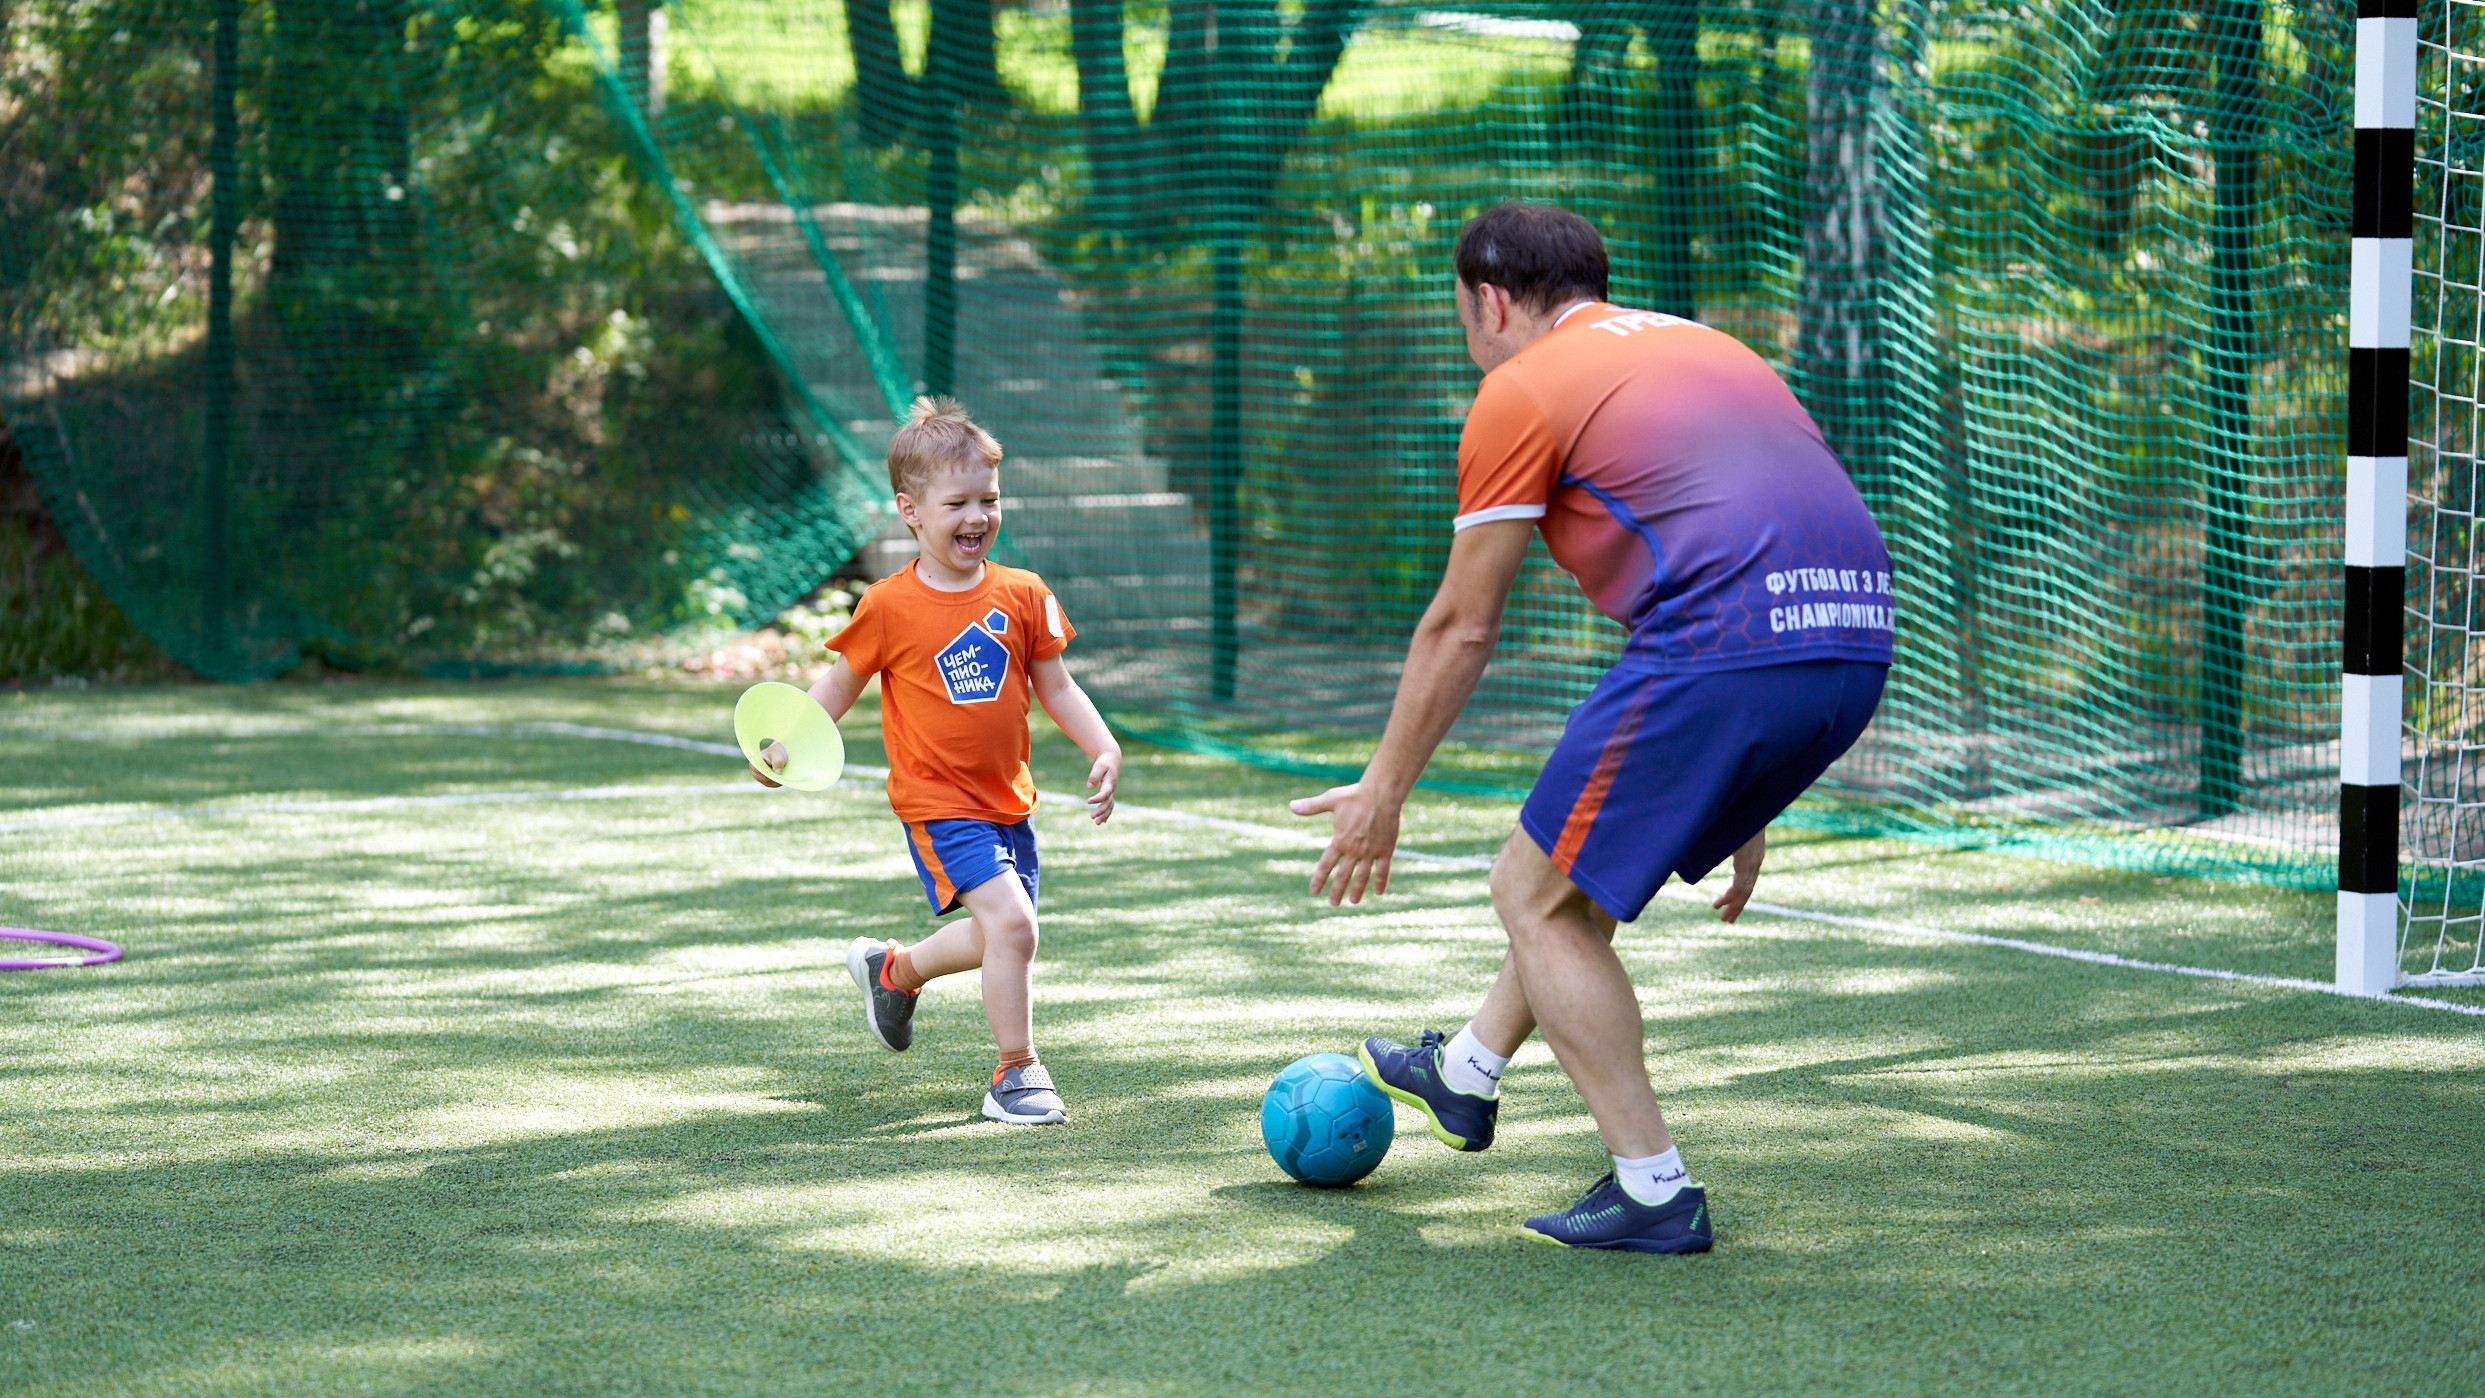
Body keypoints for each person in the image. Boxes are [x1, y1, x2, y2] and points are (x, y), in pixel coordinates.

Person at [1290, 202, 1893, 1252]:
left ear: (1488, 299)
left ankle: (1653, 1189)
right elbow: (1764, 512)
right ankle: (1466, 1072)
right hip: (1854, 642)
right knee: (1568, 877)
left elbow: (1461, 627)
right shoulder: (1702, 344)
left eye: (1461, 314)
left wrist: (1382, 791)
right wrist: (1739, 781)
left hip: (1725, 646)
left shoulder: (1517, 387)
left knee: (1529, 893)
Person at [753, 396, 1122, 1127]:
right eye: (957, 502)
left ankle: (894, 973)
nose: (977, 516)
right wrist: (784, 744)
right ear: (910, 511)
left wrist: (1102, 744)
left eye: (989, 498)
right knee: (1015, 928)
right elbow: (836, 685)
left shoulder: (1023, 594)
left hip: (1008, 800)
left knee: (996, 936)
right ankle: (1016, 1072)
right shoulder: (888, 606)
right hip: (936, 802)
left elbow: (1057, 686)